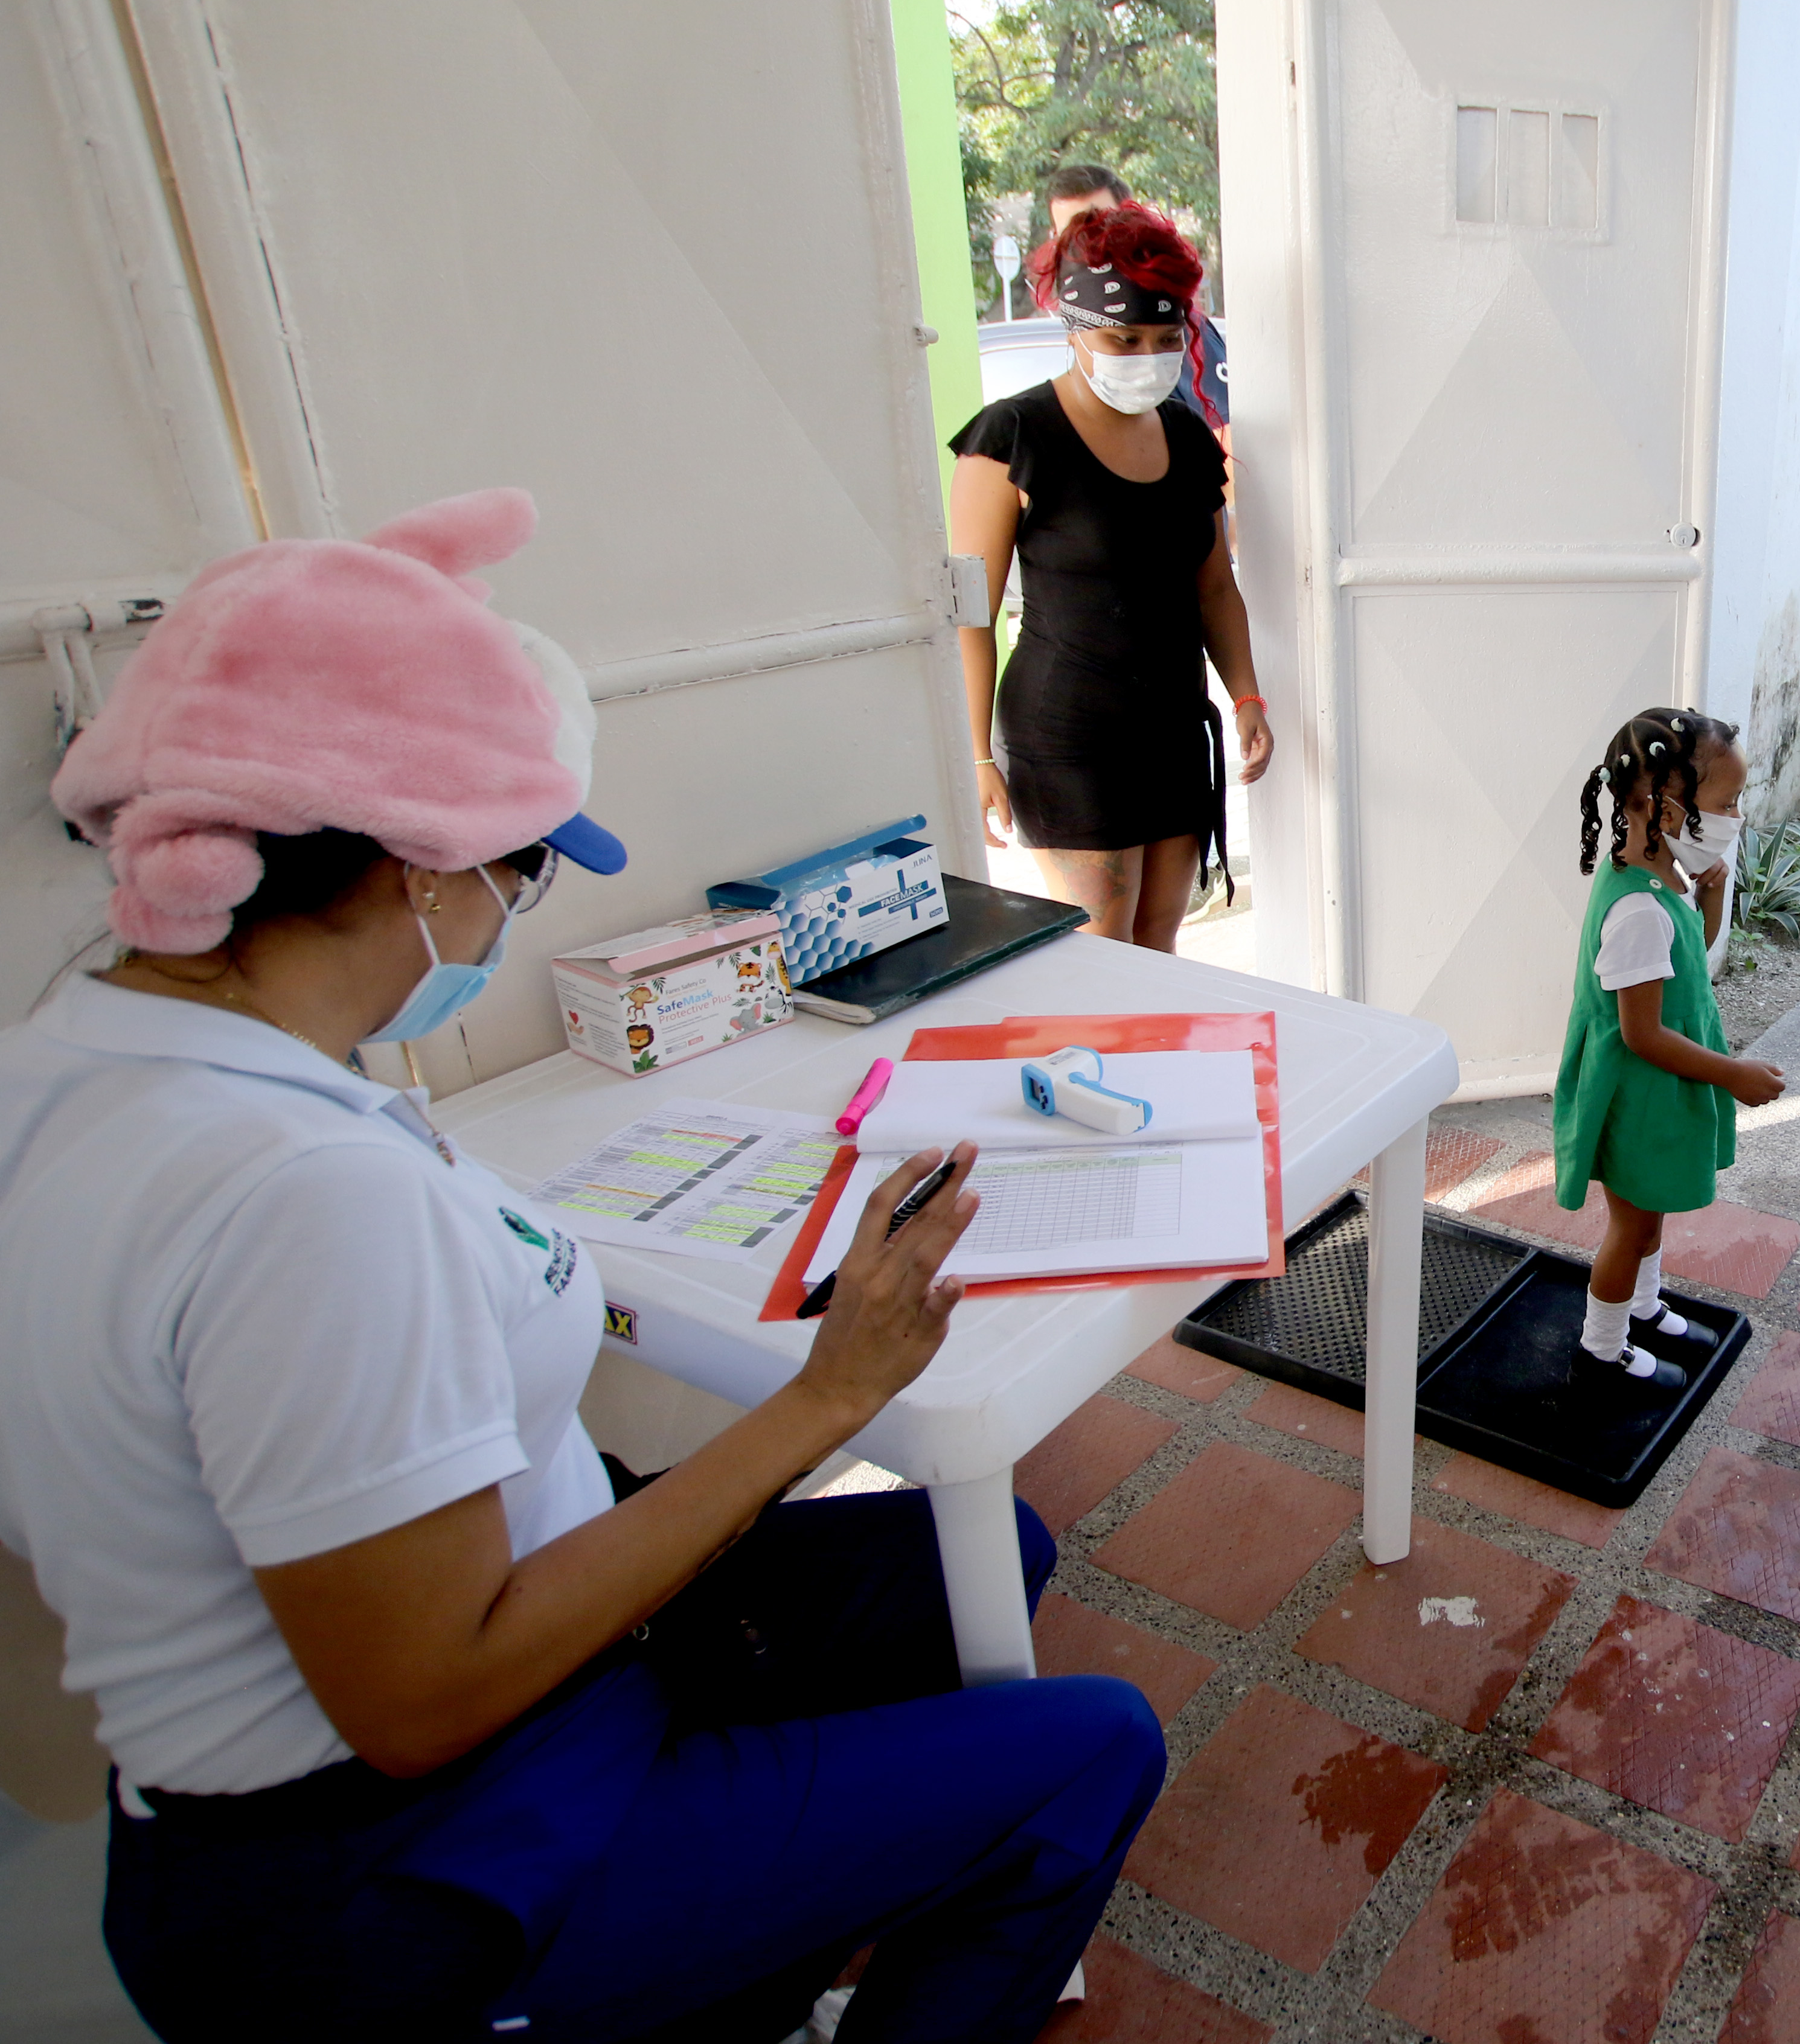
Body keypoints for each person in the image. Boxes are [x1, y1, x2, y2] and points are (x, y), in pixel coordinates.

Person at [0, 490, 1166, 2042]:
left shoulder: (72, 1068)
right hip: (392, 1871)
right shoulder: (303, 1199)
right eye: (523, 870)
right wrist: (831, 1394)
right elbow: (421, 1702)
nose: (508, 911)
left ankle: (727, 1978)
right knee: (1090, 1751)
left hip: (430, 1723)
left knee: (973, 1562)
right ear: (421, 867)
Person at [950, 202, 1271, 947]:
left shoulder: (1189, 436)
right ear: (1075, 327)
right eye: (1126, 338)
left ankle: (1155, 1069)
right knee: (1101, 950)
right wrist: (974, 756)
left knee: (1161, 941)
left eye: (1166, 339)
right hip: (1069, 737)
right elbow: (972, 614)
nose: (1148, 356)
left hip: (1174, 727)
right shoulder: (1011, 437)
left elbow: (1215, 585)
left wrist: (1246, 692)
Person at [1549, 709, 1785, 1397]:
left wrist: (1711, 901)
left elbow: (1692, 962)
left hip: (1660, 1082)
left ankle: (1643, 1308)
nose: (1736, 815)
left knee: (1651, 1212)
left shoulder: (1666, 880)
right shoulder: (1639, 910)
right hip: (1638, 1088)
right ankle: (1602, 1349)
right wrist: (1734, 1075)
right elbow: (1643, 1034)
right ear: (1661, 806)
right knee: (1632, 1224)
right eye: (1727, 803)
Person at [1038, 165, 1228, 427]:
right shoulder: (1021, 427)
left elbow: (1228, 437)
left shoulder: (1177, 327)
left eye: (1098, 225)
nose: (1086, 246)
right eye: (1069, 235)